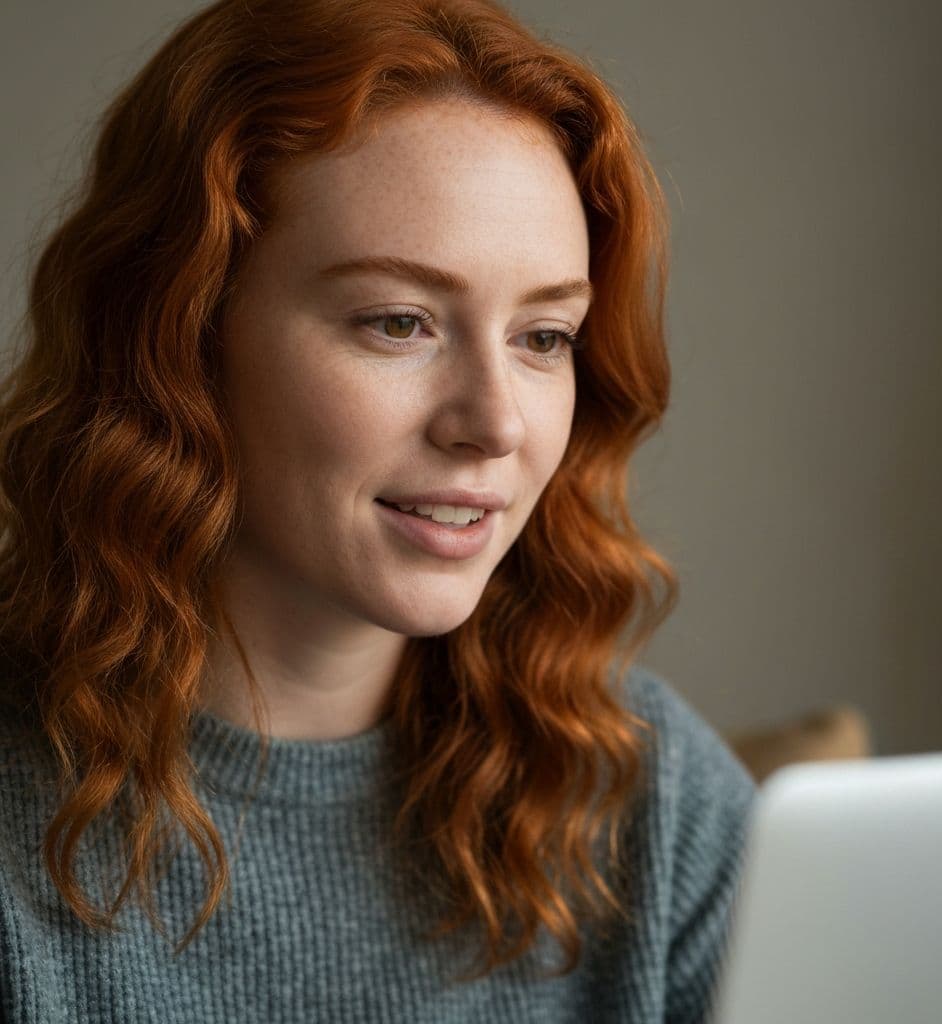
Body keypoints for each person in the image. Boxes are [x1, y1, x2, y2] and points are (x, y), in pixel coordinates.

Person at [0, 0, 758, 1021]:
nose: (493, 424)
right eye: (399, 322)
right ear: (180, 339)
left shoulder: (648, 799)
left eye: (543, 336)